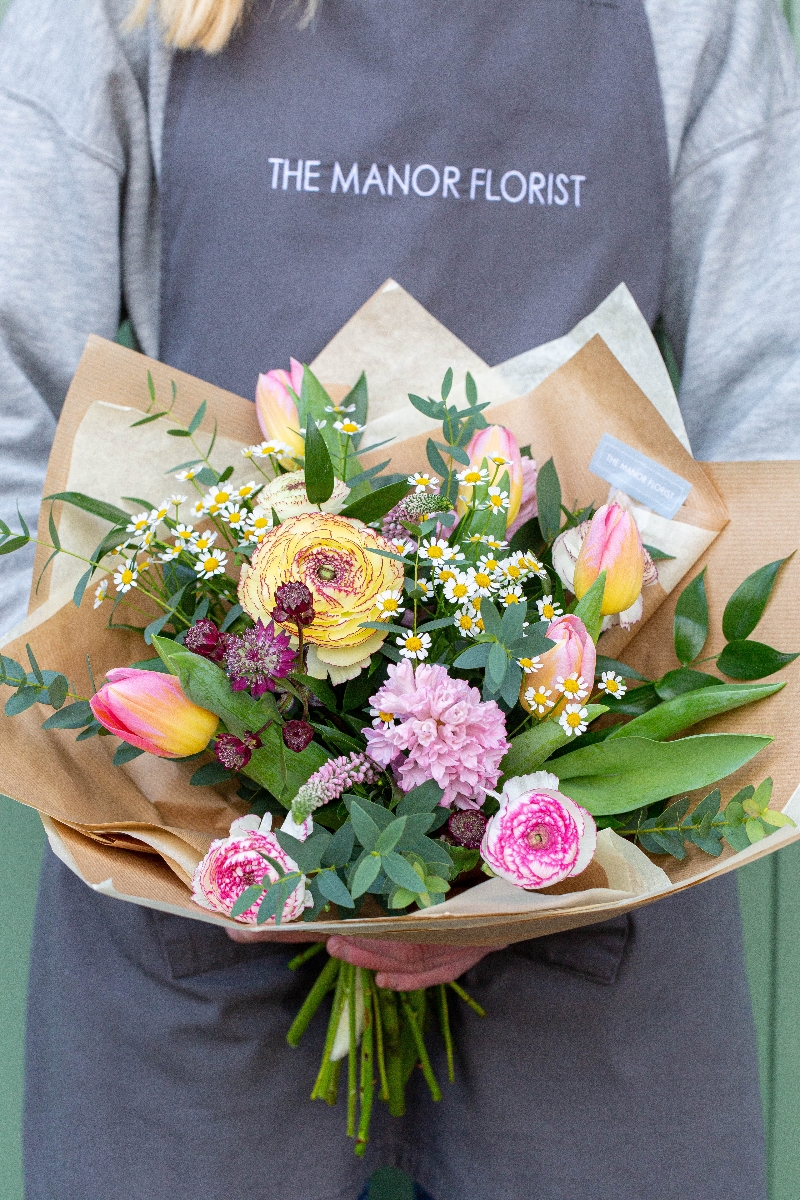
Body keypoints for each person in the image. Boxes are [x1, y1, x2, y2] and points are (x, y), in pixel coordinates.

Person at [1, 0, 799, 1196]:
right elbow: (13, 407)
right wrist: (201, 779)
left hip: (591, 853)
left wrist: (582, 782)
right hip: (198, 871)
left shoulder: (696, 17)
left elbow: (778, 400)